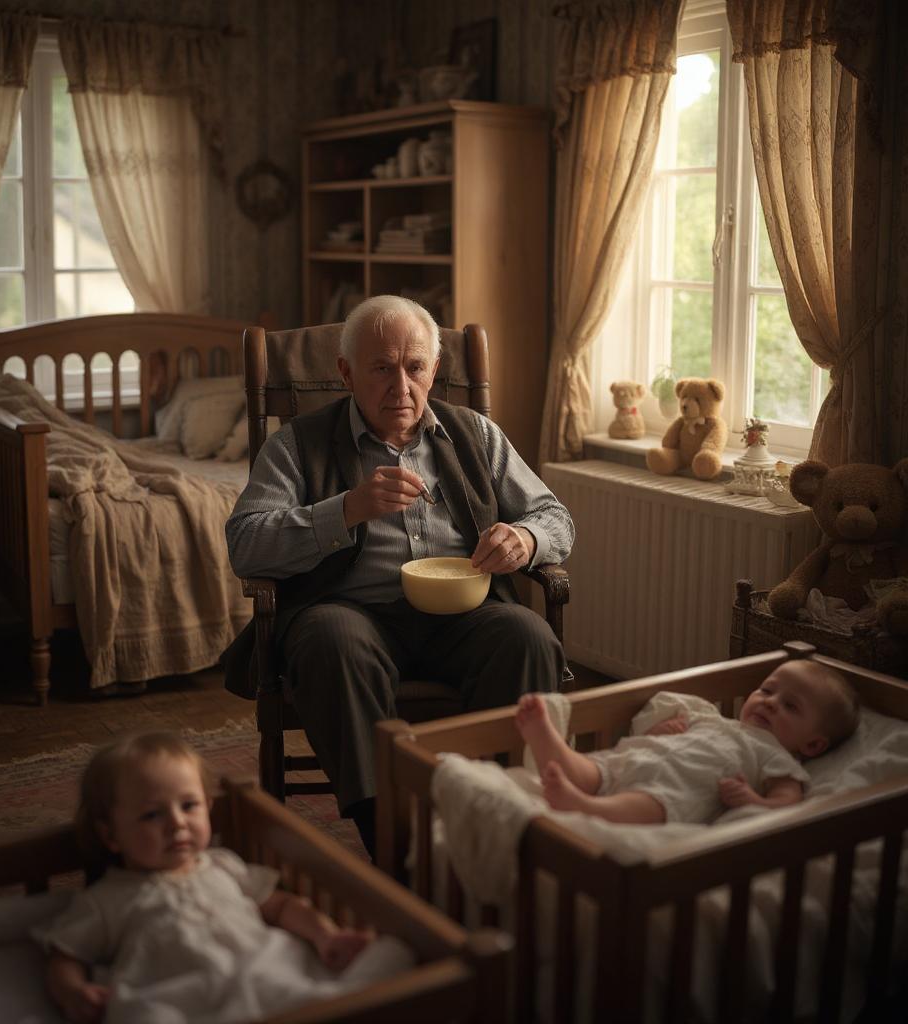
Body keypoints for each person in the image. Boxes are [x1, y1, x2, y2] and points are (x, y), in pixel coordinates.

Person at [224, 295, 575, 857]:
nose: (401, 387)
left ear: (434, 369)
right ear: (346, 373)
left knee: (527, 635)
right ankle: (395, 840)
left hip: (464, 615)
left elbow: (553, 516)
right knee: (330, 639)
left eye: (414, 368)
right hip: (352, 612)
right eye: (381, 369)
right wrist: (346, 510)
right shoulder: (296, 444)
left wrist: (526, 538)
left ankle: (488, 818)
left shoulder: (476, 435)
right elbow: (245, 543)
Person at [37, 731, 377, 1024]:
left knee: (372, 965)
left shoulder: (223, 865)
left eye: (189, 806)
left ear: (208, 806)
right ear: (111, 835)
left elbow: (281, 906)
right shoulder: (105, 900)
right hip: (173, 996)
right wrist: (74, 993)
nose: (177, 823)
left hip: (258, 970)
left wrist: (325, 935)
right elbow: (65, 957)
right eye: (152, 814)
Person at [515, 658, 859, 824]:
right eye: (767, 690)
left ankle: (587, 808)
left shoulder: (776, 756)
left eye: (790, 706)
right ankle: (554, 748)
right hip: (641, 760)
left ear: (813, 745)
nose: (770, 703)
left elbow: (788, 802)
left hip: (680, 786)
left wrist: (753, 800)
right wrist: (659, 734)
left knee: (653, 804)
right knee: (599, 766)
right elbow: (646, 739)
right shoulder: (714, 719)